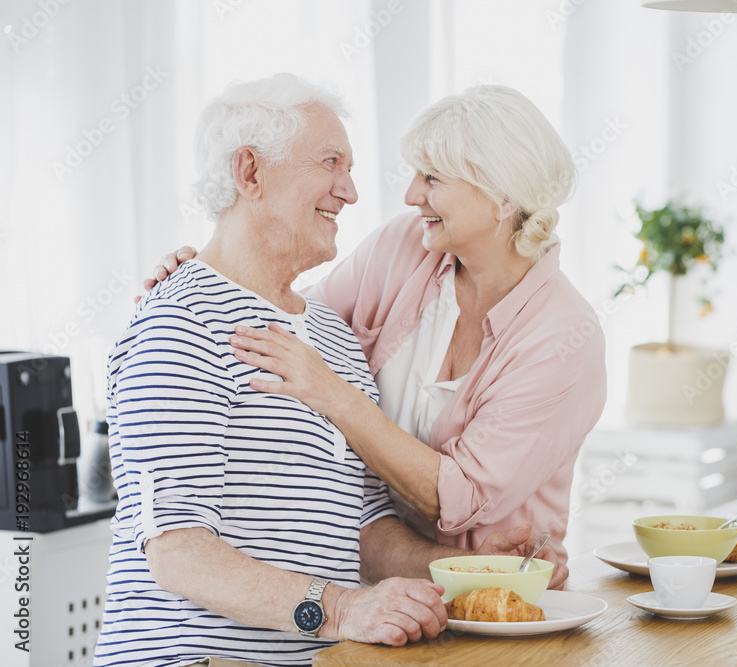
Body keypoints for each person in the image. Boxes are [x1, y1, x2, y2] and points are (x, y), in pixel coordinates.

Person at [95, 74, 557, 667]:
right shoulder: (178, 325)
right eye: (330, 162)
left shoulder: (332, 338)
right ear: (250, 173)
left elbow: (364, 530)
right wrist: (341, 611)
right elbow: (177, 552)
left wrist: (468, 569)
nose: (352, 191)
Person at [149, 84, 607, 567]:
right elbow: (289, 324)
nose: (411, 196)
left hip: (498, 598)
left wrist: (334, 394)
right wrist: (206, 276)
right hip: (377, 586)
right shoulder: (407, 246)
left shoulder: (564, 338)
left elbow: (460, 497)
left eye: (431, 178)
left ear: (501, 195)